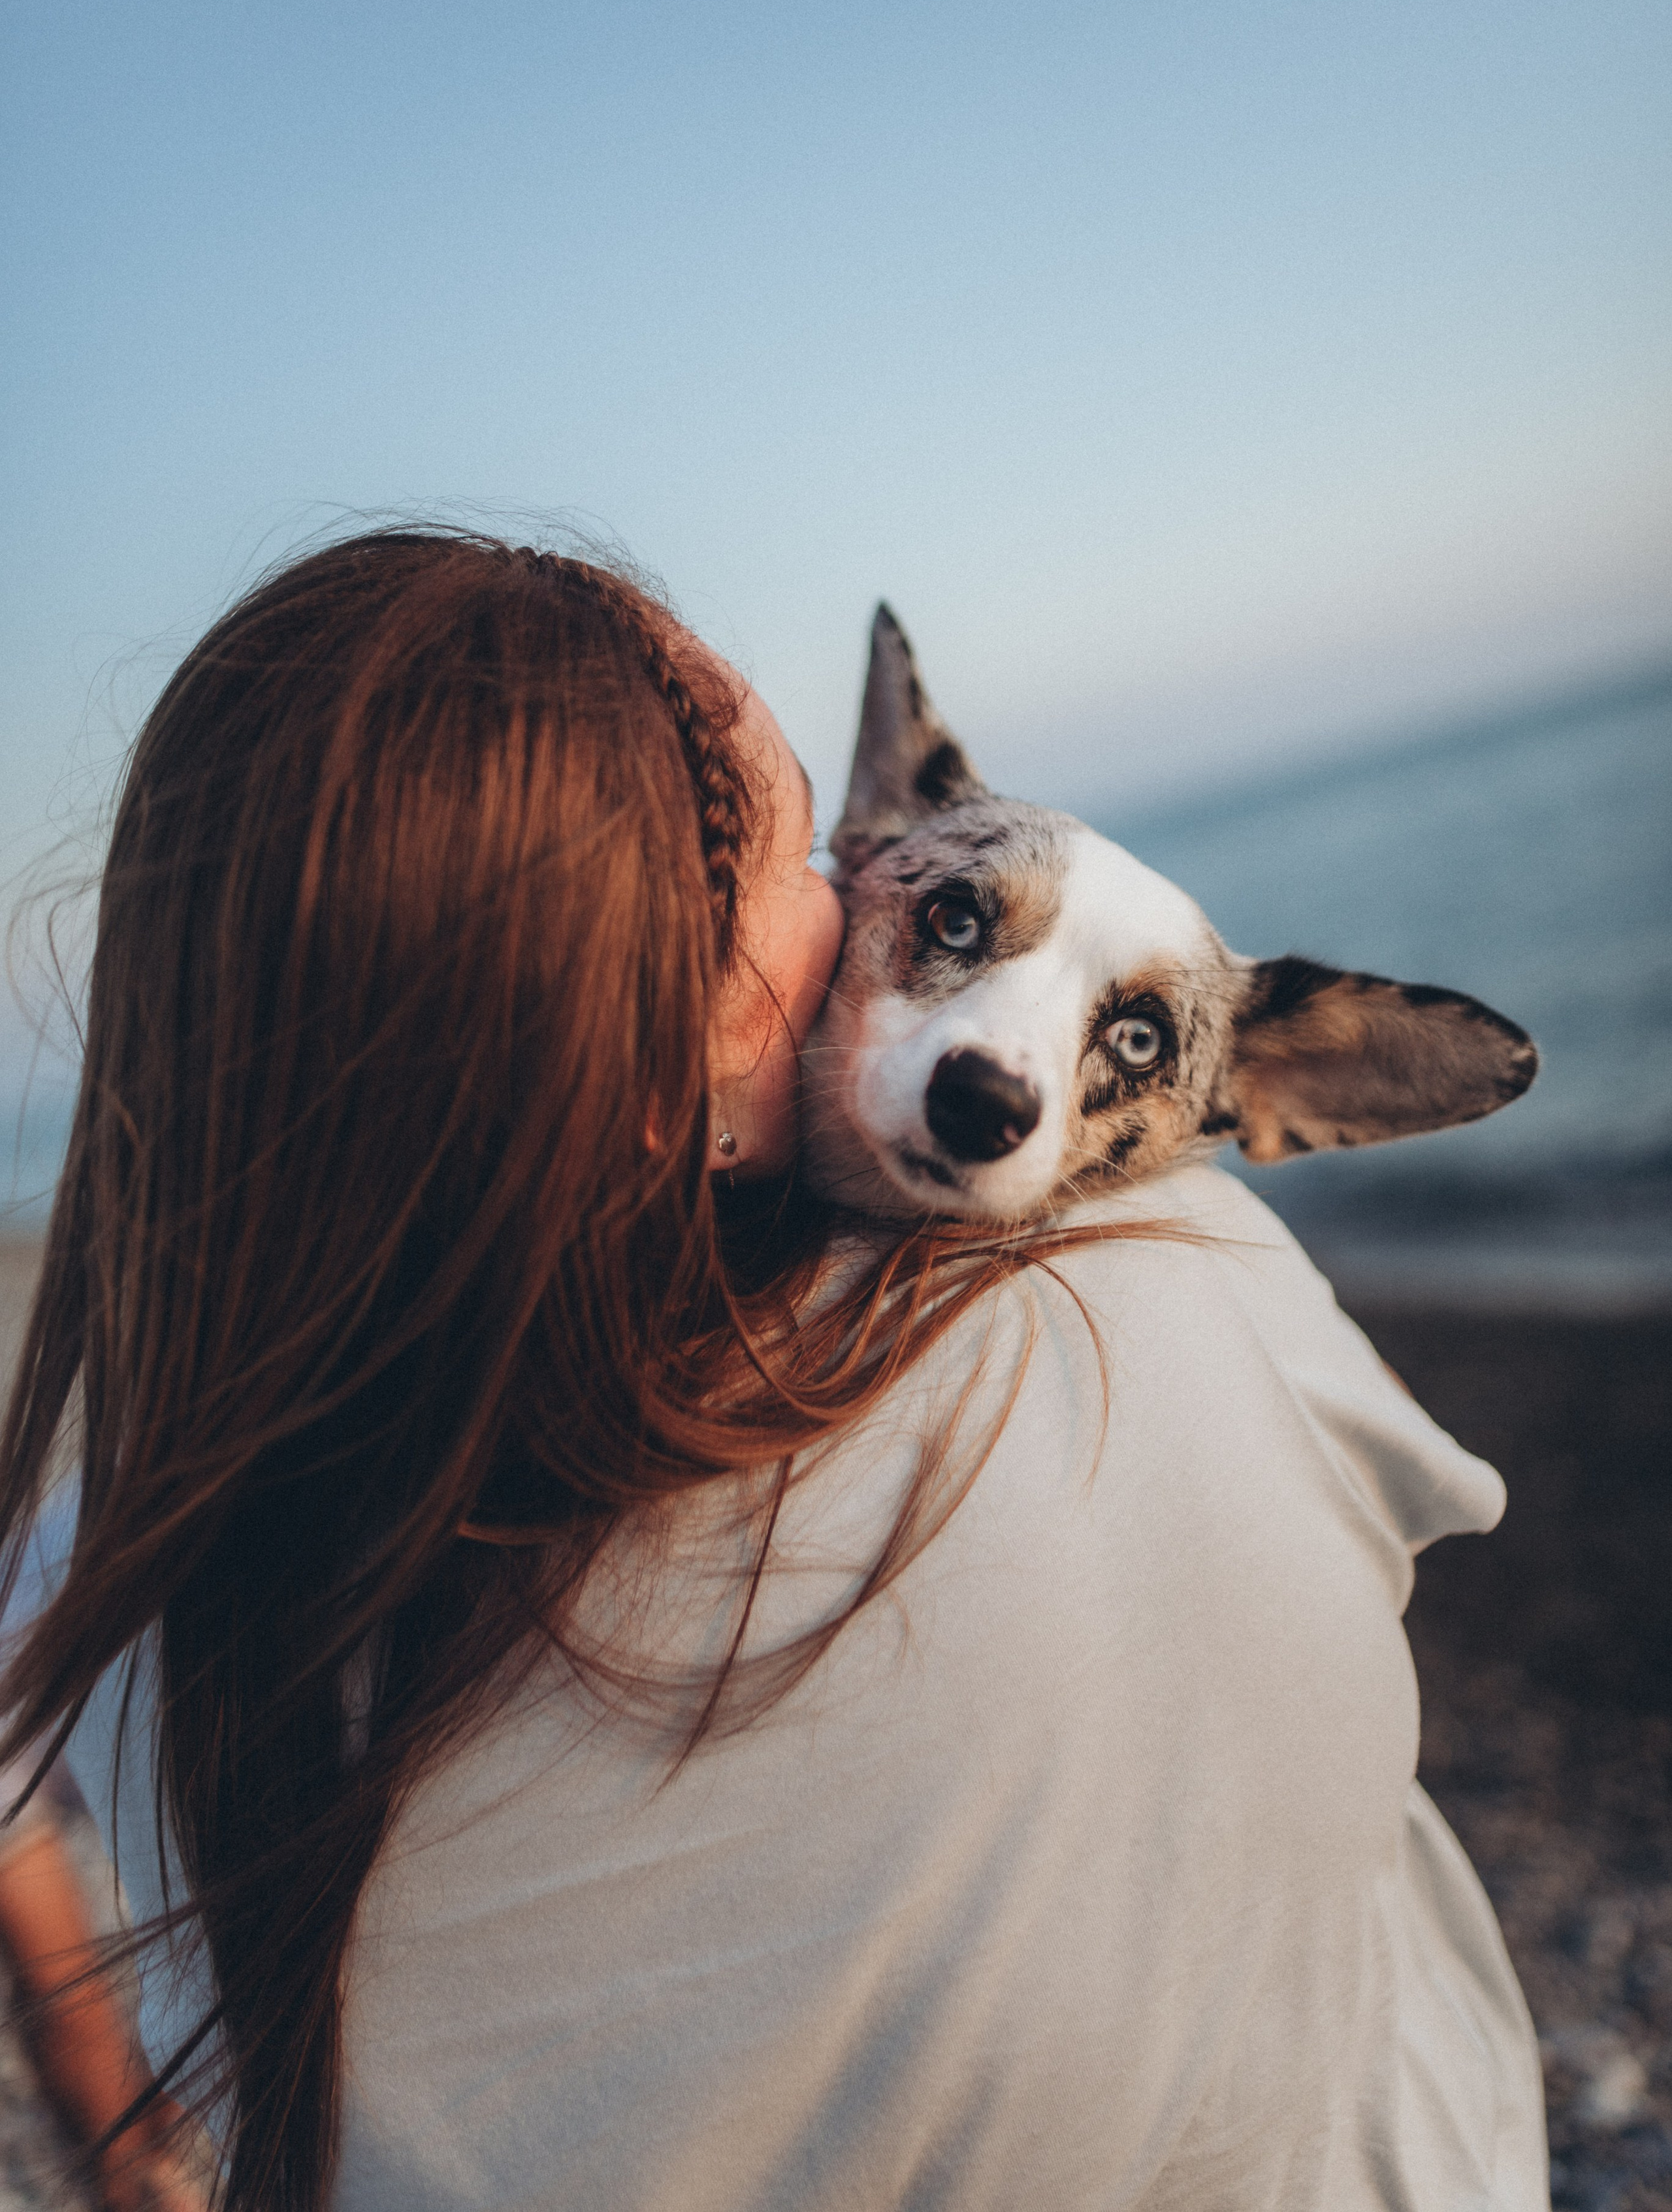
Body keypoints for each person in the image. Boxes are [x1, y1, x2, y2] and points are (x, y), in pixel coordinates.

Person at [0, 528, 1548, 2211]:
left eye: (837, 840)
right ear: (647, 1069)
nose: (842, 895)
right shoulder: (1178, 1302)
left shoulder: (140, 1565)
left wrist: (119, 2150)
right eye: (843, 872)